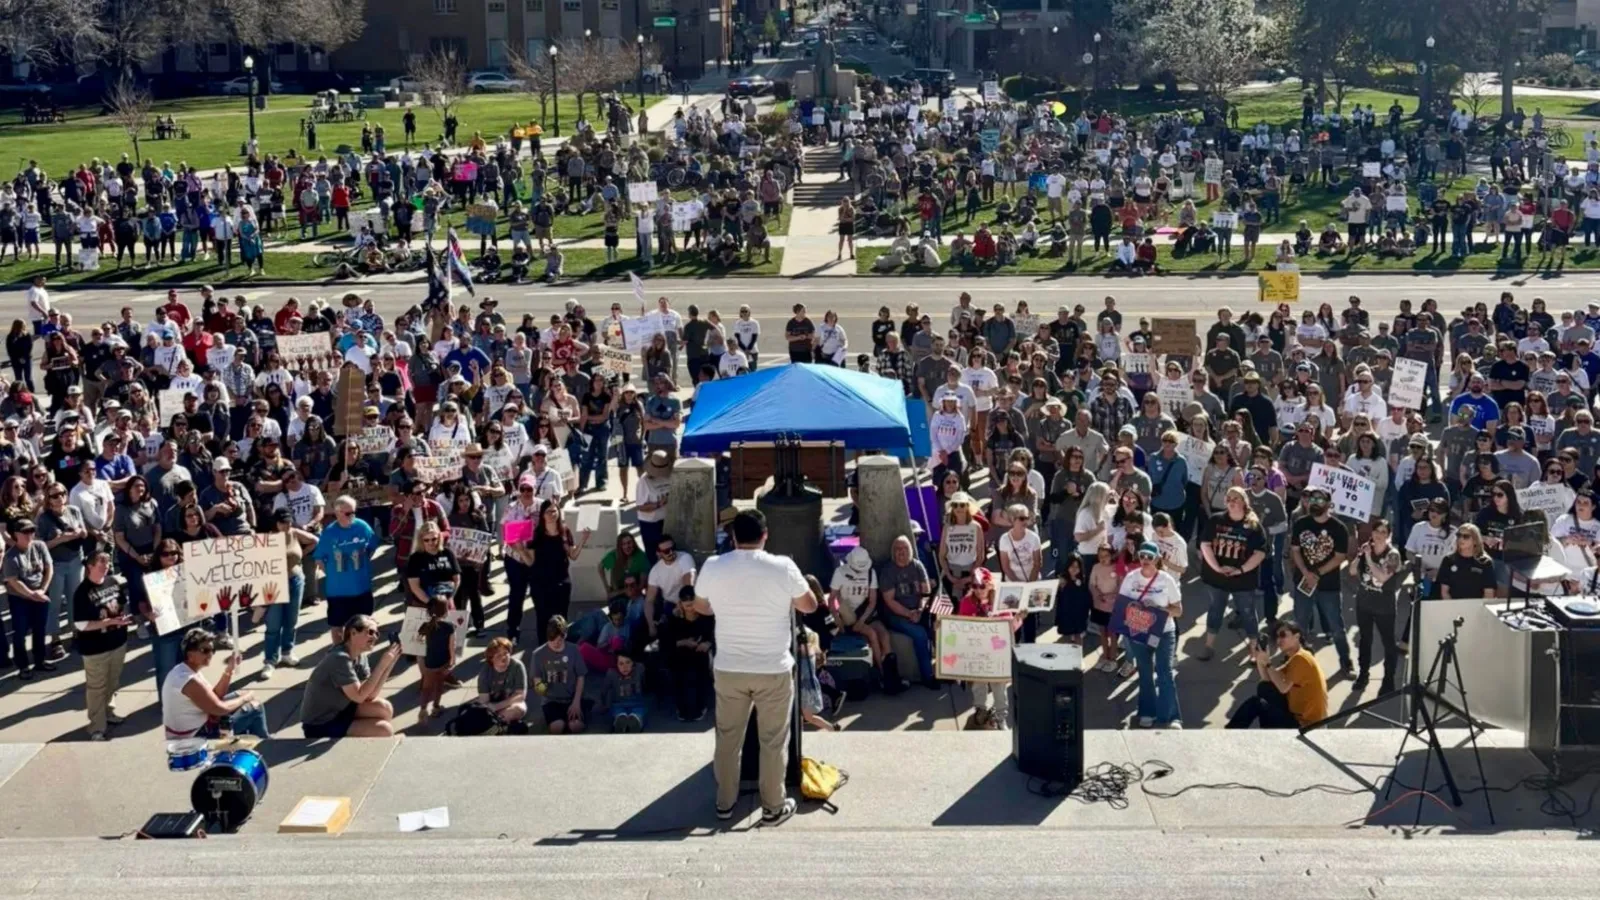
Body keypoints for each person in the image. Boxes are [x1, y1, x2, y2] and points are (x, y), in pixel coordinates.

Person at [692, 509, 817, 827]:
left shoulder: (713, 566)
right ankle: (773, 806)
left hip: (729, 667)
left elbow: (700, 606)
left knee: (727, 739)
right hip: (772, 668)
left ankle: (724, 802)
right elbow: (810, 605)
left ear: (732, 537)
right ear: (765, 535)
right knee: (773, 741)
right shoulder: (783, 567)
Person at [1118, 541, 1185, 728]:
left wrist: (1159, 609)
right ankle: (1147, 712)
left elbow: (1178, 610)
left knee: (1165, 673)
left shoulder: (1166, 580)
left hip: (1163, 631)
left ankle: (1172, 717)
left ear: (1157, 559)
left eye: (1149, 556)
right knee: (1145, 673)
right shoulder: (1131, 578)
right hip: (1139, 631)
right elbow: (1122, 605)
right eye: (1142, 556)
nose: (1145, 560)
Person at [301, 614, 401, 738]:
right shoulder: (339, 658)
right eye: (370, 632)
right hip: (321, 723)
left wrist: (390, 663)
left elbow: (369, 695)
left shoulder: (360, 656)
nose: (375, 637)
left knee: (385, 708)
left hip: (342, 709)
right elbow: (359, 697)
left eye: (377, 634)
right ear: (353, 633)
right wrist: (381, 664)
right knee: (384, 730)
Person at [161, 627, 269, 740]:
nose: (210, 654)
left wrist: (229, 669)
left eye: (212, 650)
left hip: (195, 726)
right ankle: (265, 744)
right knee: (256, 707)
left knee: (240, 695)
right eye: (204, 650)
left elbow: (215, 696)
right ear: (190, 654)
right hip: (193, 737)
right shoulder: (188, 680)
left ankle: (251, 743)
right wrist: (246, 698)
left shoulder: (185, 670)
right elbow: (219, 709)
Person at [1289, 488, 1353, 674]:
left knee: (1337, 627)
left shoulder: (1339, 527)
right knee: (1299, 623)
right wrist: (1305, 572)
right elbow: (1295, 550)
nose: (1314, 502)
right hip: (1304, 583)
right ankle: (1295, 660)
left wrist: (1316, 573)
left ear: (1329, 504)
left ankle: (1345, 661)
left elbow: (1340, 557)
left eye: (1319, 499)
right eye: (1311, 498)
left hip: (1328, 586)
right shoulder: (1301, 523)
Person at [1227, 622, 1329, 729]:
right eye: (1277, 636)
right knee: (1264, 688)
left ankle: (1229, 733)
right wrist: (1260, 659)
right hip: (1298, 719)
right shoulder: (1294, 659)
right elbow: (1267, 680)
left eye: (1283, 635)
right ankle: (1264, 731)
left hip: (1308, 726)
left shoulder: (1301, 658)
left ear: (1297, 636)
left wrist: (1267, 663)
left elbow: (1283, 688)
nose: (1279, 640)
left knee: (1256, 703)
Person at [74, 551, 131, 741]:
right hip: (95, 648)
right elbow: (81, 624)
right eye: (101, 562)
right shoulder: (82, 592)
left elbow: (122, 604)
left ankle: (109, 713)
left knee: (113, 682)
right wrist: (105, 623)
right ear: (89, 566)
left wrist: (123, 618)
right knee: (97, 687)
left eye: (107, 562)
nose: (105, 566)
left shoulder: (113, 582)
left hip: (118, 642)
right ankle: (96, 727)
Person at [313, 496, 381, 645]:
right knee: (338, 626)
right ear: (337, 513)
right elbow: (319, 559)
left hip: (362, 588)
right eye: (348, 513)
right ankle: (339, 655)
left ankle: (362, 656)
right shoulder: (329, 533)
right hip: (338, 591)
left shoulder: (362, 526)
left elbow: (372, 546)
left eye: (354, 512)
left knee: (365, 625)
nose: (353, 516)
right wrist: (334, 574)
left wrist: (363, 565)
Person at [4, 519, 54, 679]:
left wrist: (42, 590)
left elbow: (48, 567)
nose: (29, 535)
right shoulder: (10, 557)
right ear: (16, 534)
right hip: (20, 599)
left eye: (32, 531)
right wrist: (33, 595)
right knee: (20, 632)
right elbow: (14, 581)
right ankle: (23, 666)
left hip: (40, 593)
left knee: (40, 630)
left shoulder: (40, 546)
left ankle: (40, 661)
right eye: (25, 532)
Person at [527, 614, 589, 734]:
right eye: (552, 639)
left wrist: (576, 702)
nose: (555, 643)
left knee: (575, 726)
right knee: (557, 727)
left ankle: (583, 711)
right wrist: (540, 687)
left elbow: (581, 676)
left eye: (559, 640)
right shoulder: (538, 654)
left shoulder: (574, 650)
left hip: (572, 697)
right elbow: (537, 681)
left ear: (564, 635)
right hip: (551, 700)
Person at [472, 636, 529, 725]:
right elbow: (484, 700)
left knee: (520, 709)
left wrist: (497, 706)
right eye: (499, 655)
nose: (503, 657)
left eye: (506, 653)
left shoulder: (517, 666)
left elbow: (520, 696)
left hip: (510, 703)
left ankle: (495, 724)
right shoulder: (485, 672)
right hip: (491, 705)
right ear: (491, 659)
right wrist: (492, 708)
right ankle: (499, 724)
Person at [417, 598, 456, 722]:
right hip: (443, 662)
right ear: (445, 612)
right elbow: (451, 646)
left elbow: (418, 643)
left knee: (426, 688)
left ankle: (423, 709)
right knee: (439, 686)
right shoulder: (449, 627)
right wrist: (452, 660)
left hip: (429, 662)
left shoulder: (425, 626)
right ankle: (436, 708)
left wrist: (421, 661)